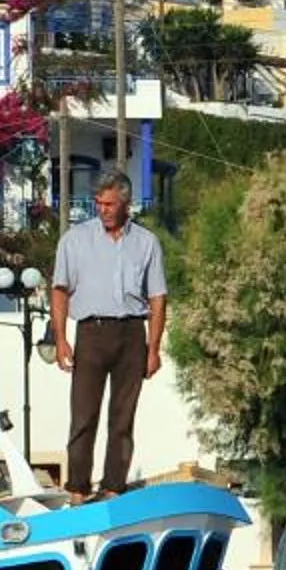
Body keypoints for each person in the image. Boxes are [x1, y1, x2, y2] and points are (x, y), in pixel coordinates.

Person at [46, 168, 168, 500]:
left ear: (125, 203)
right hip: (91, 332)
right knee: (84, 414)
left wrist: (154, 347)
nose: (103, 210)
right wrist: (60, 339)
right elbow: (59, 289)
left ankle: (114, 485)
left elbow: (157, 297)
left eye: (110, 204)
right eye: (99, 203)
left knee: (123, 416)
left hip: (131, 333)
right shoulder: (75, 239)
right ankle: (78, 488)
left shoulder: (147, 243)